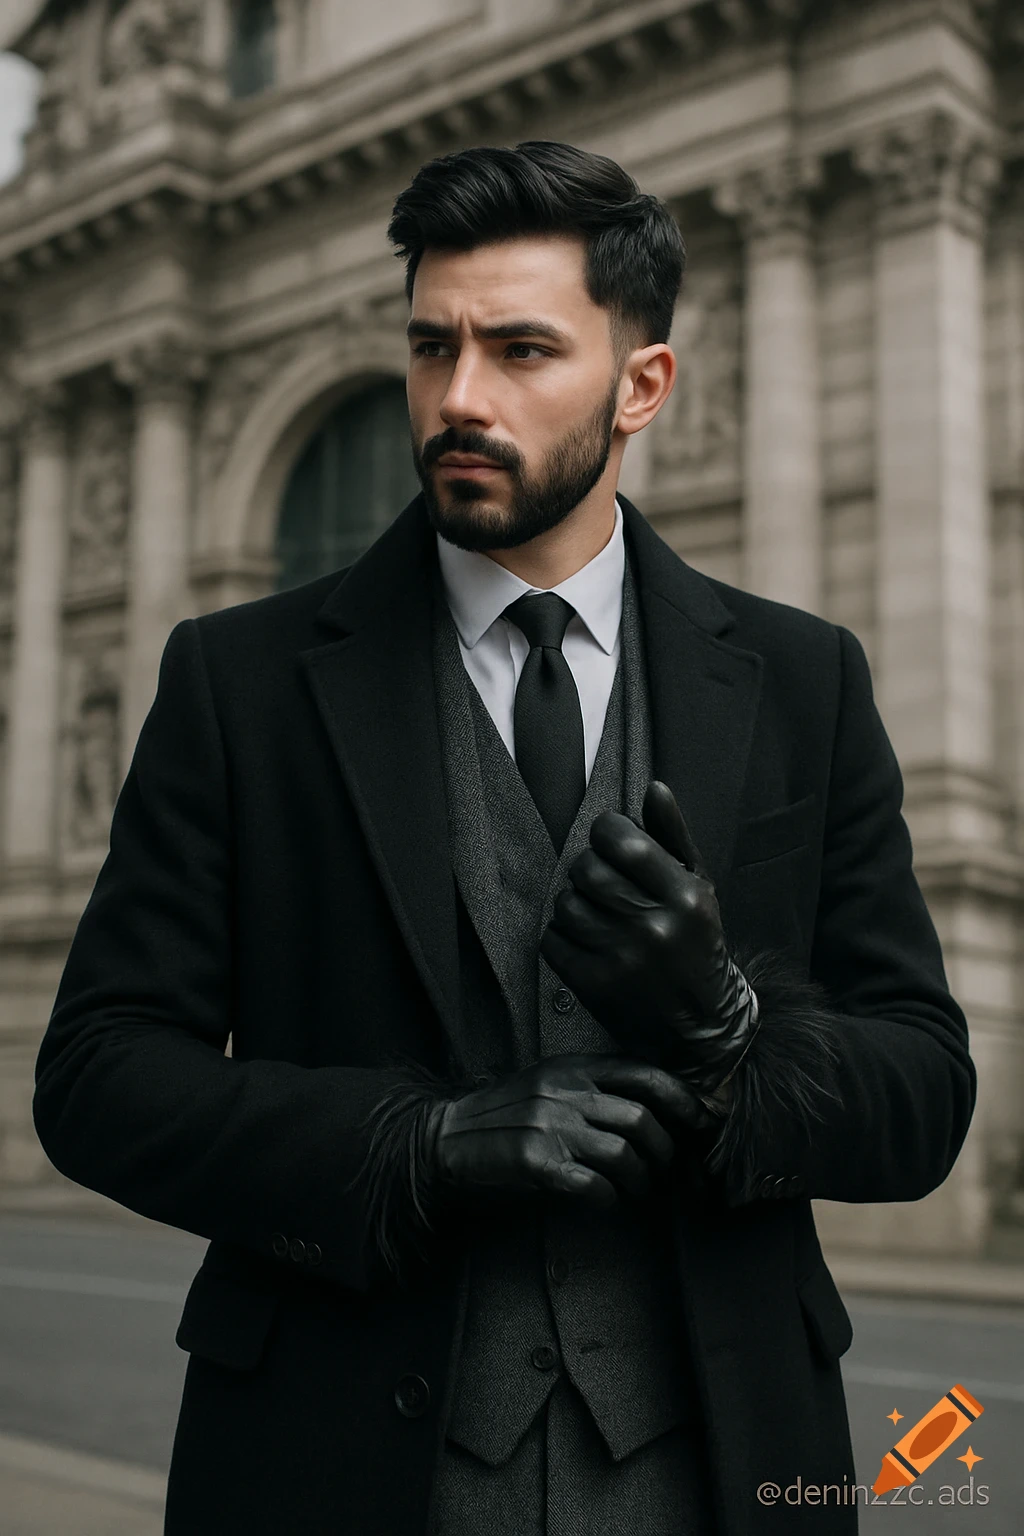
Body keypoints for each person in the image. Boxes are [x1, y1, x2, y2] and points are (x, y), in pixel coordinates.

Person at [32, 141, 976, 1536]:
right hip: (337, 1470)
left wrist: (730, 1032)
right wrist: (410, 1145)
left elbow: (926, 1092)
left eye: (521, 350)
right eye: (432, 348)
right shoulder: (236, 685)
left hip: (721, 1470)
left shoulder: (803, 679)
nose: (458, 398)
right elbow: (98, 1077)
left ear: (642, 385)